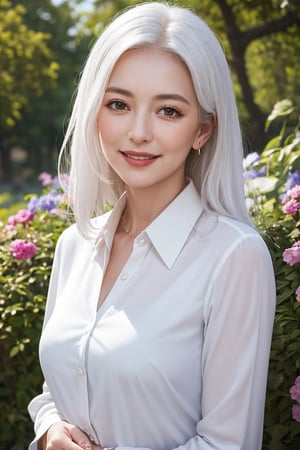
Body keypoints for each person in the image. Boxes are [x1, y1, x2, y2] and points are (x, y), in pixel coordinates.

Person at [28, 2, 276, 449]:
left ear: (203, 130)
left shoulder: (234, 257)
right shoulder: (74, 245)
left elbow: (228, 444)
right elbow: (59, 387)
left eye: (169, 111)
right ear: (94, 112)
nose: (139, 132)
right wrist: (49, 432)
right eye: (119, 104)